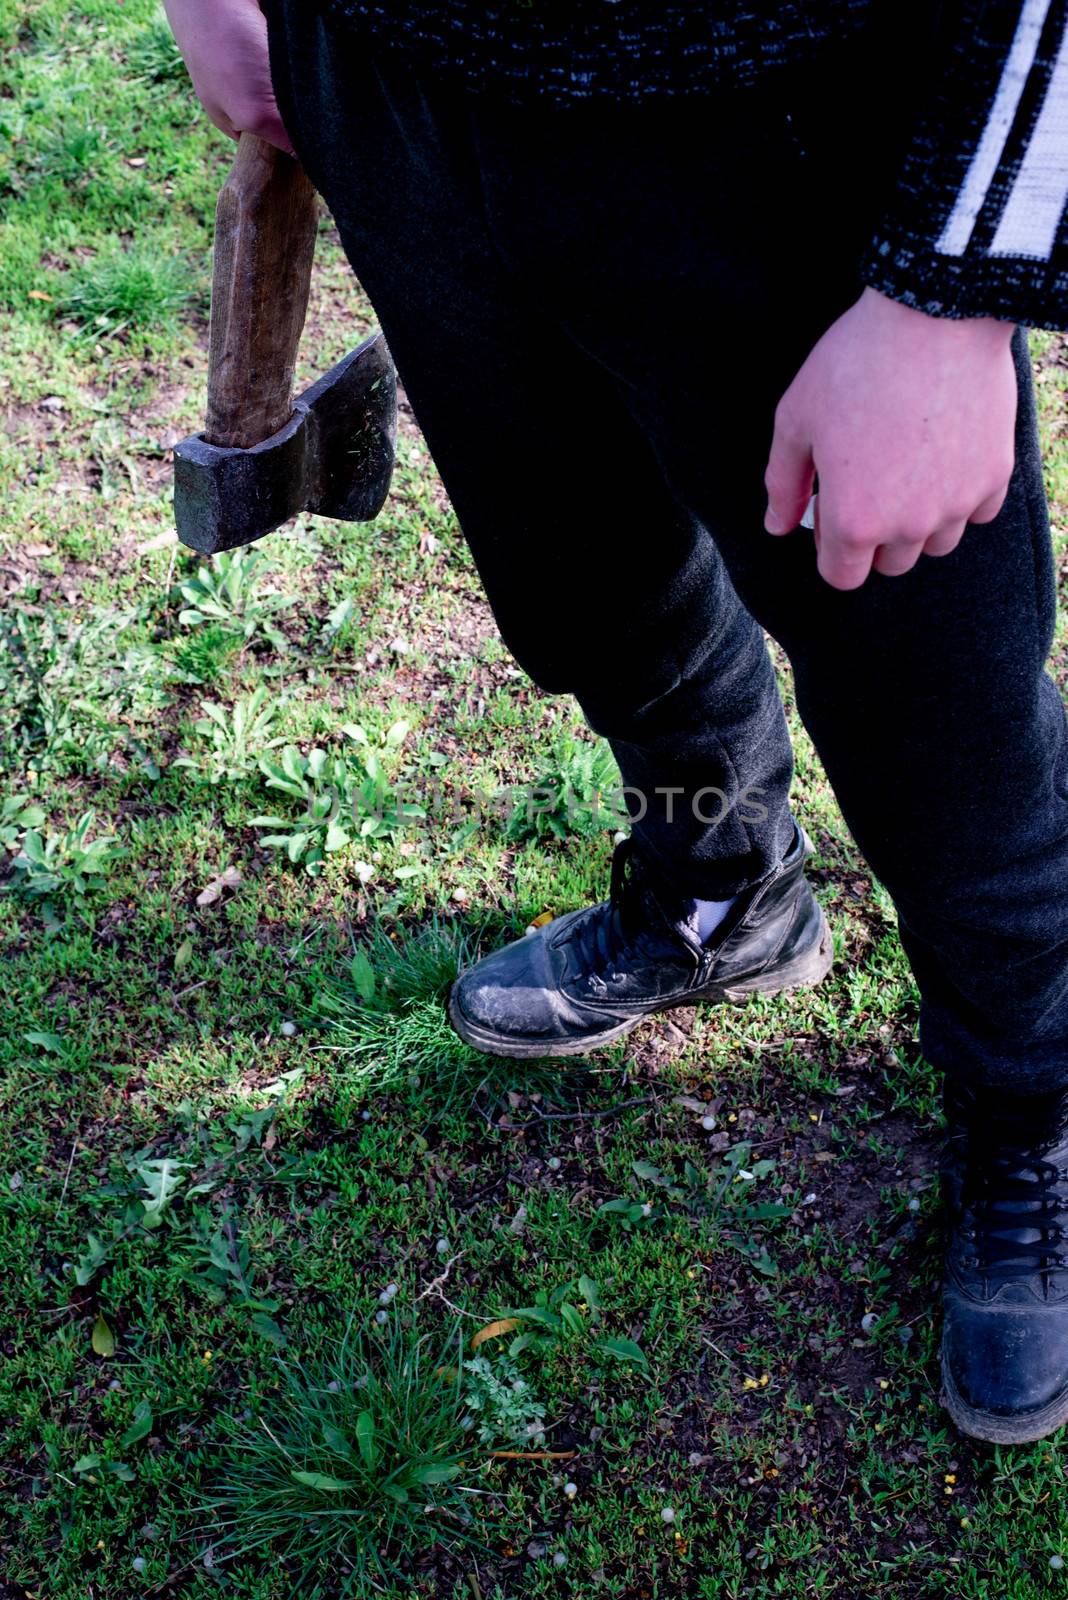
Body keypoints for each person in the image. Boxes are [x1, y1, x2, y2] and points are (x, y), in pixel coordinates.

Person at [164, 0, 1068, 1444]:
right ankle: (724, 896)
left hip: (788, 114)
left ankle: (1038, 1101)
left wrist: (954, 290)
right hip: (392, 80)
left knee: (937, 718)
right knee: (585, 586)